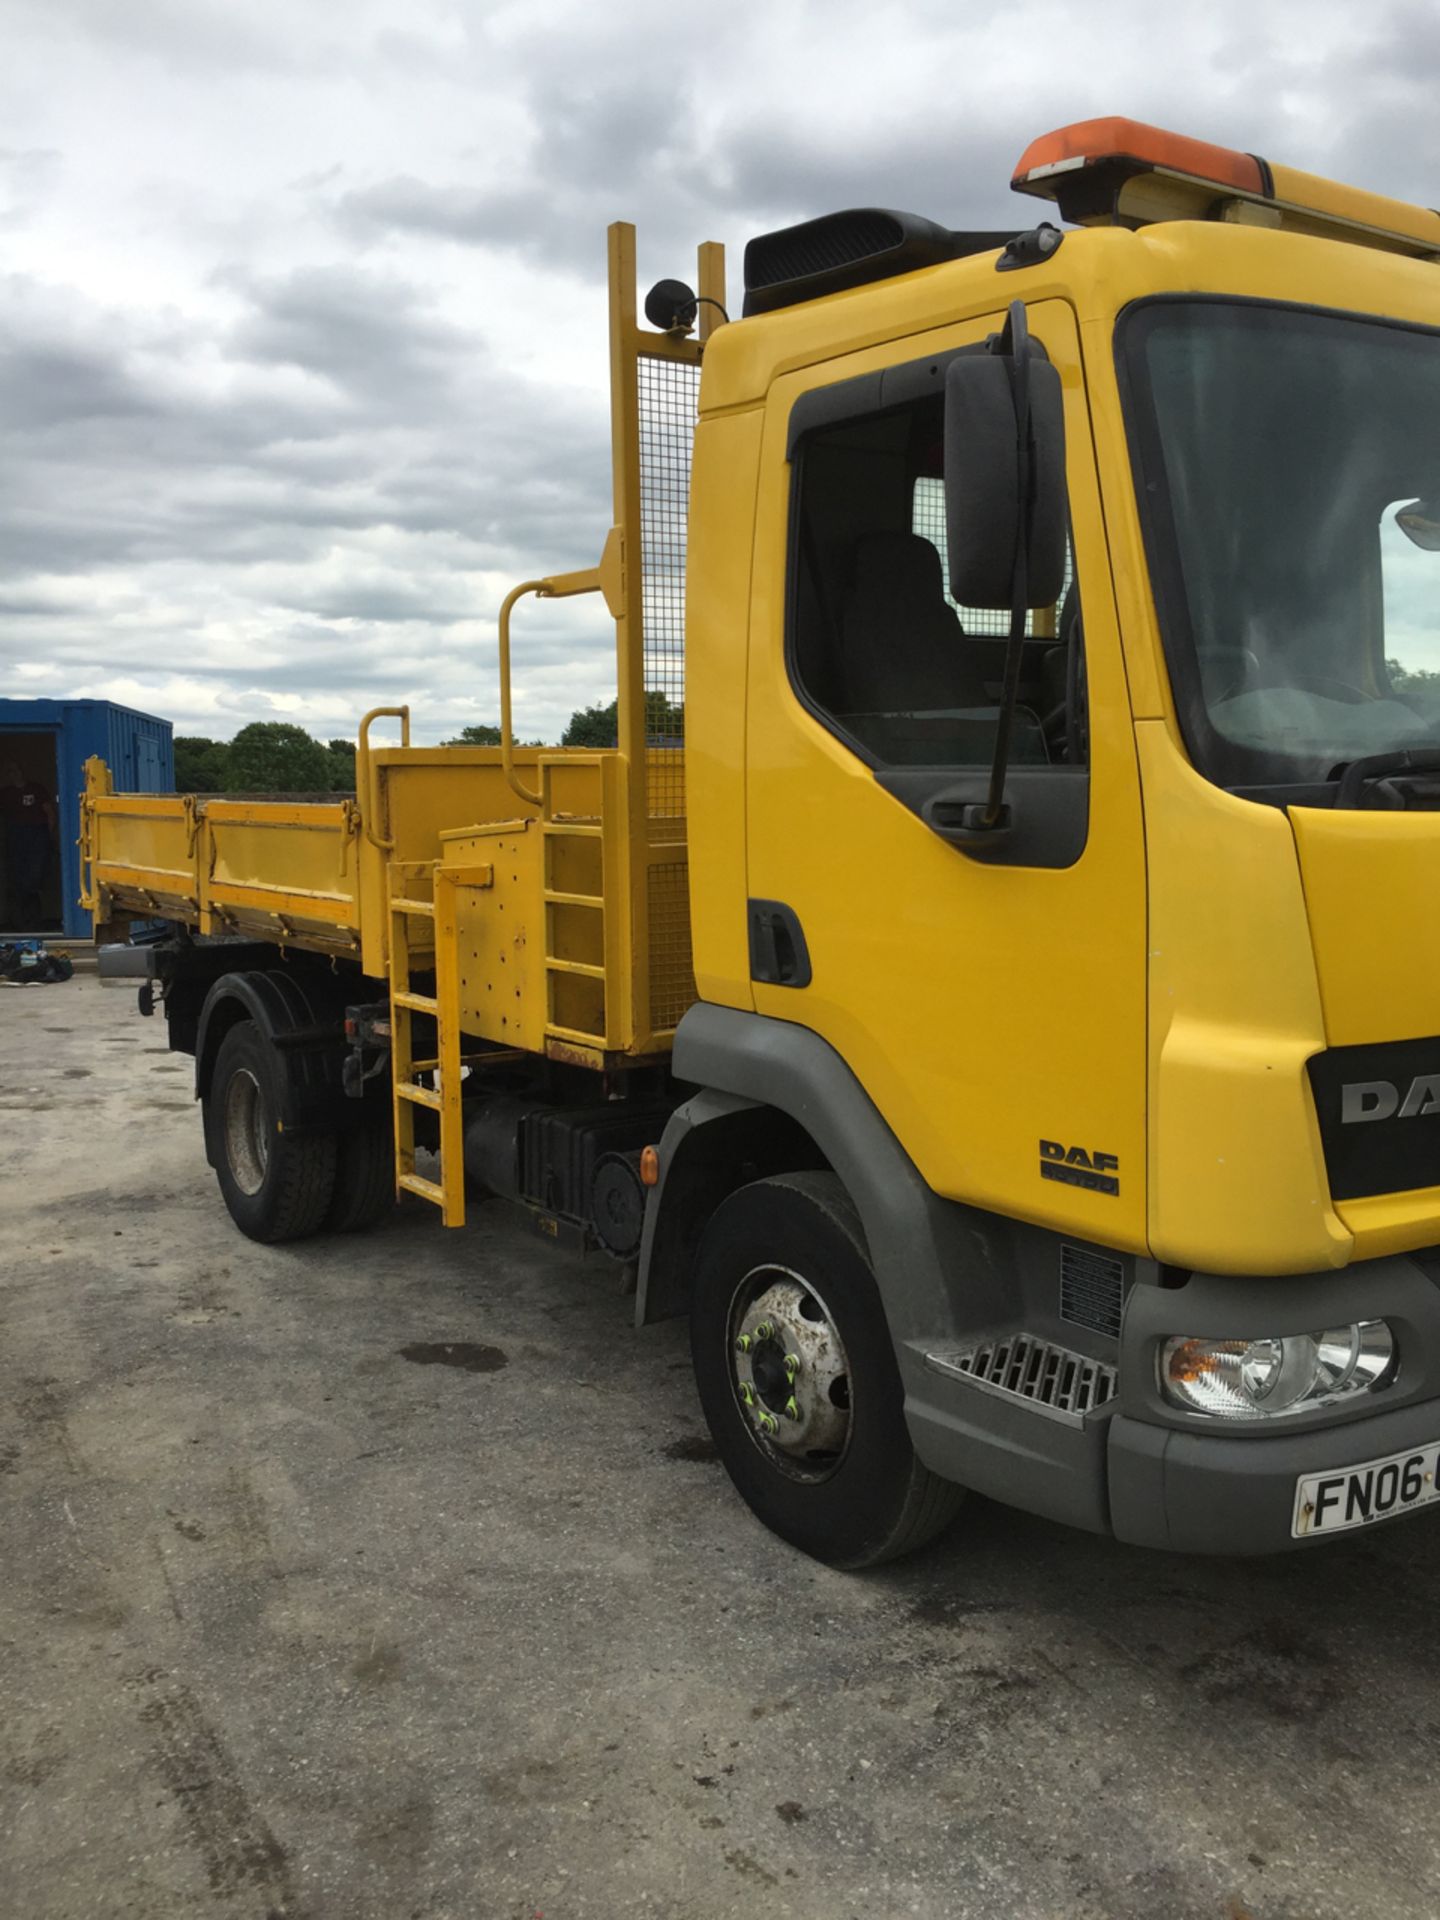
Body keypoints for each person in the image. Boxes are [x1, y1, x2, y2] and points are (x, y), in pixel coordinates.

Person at [1, 761, 56, 930]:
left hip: (37, 837)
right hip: (16, 838)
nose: (14, 774)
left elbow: (49, 812)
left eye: (16, 770)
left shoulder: (36, 789)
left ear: (22, 772)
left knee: (35, 877)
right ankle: (19, 922)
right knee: (17, 880)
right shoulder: (5, 793)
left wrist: (49, 835)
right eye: (10, 771)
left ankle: (34, 920)